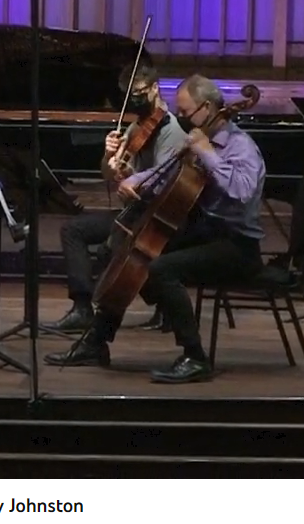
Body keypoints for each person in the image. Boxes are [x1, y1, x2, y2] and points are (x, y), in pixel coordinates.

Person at [44, 75, 267, 384]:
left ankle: (195, 357)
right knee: (131, 254)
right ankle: (97, 342)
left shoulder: (239, 146)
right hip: (205, 232)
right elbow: (171, 174)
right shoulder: (201, 137)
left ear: (206, 107)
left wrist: (208, 154)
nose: (184, 119)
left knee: (161, 268)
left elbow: (242, 192)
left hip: (237, 245)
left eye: (187, 112)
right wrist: (137, 179)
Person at [47, 61, 189, 332]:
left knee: (111, 249)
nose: (134, 100)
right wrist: (110, 157)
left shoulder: (170, 132)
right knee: (72, 230)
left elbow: (162, 187)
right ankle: (82, 307)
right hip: (132, 213)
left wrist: (130, 179)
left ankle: (163, 304)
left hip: (155, 218)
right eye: (128, 96)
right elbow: (107, 174)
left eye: (139, 93)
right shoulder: (138, 127)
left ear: (155, 89)